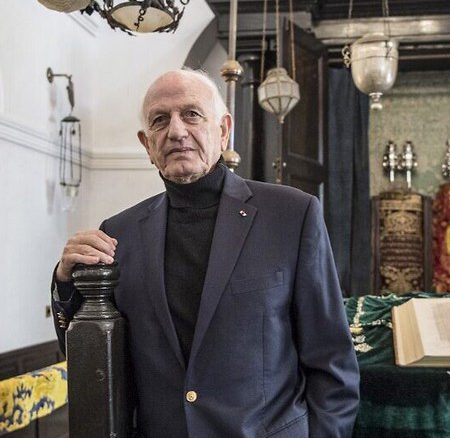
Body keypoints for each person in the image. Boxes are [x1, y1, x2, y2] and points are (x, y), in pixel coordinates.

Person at [50, 69, 360, 437]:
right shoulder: (119, 234)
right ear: (147, 144)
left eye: (192, 114)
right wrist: (65, 281)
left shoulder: (291, 215)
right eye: (160, 120)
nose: (176, 131)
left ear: (224, 130)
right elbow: (93, 360)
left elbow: (332, 363)